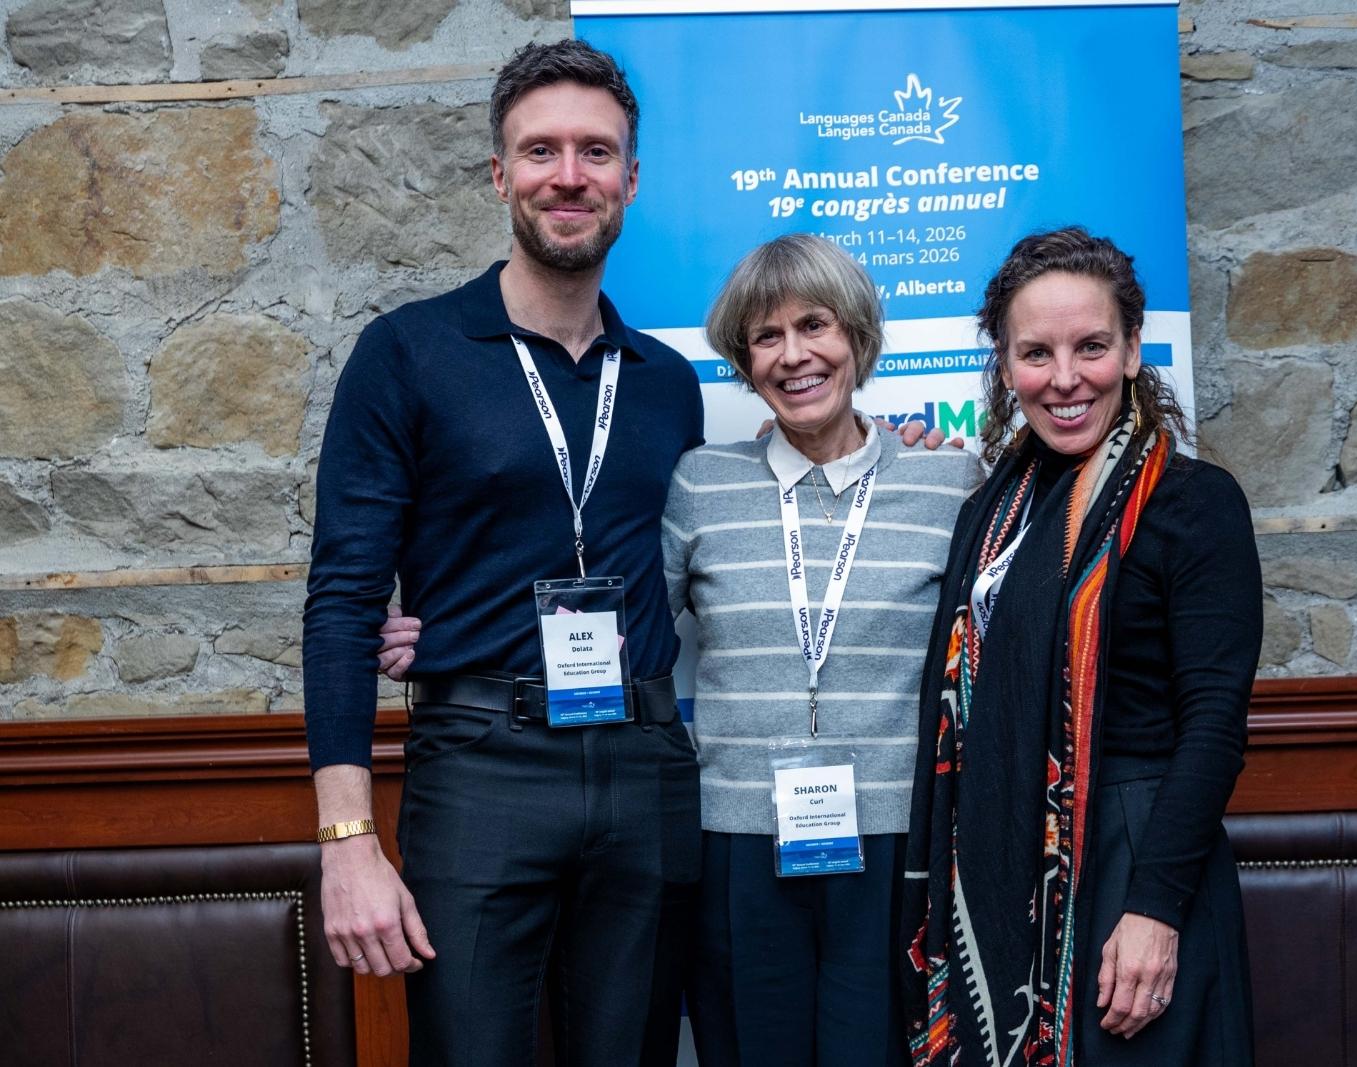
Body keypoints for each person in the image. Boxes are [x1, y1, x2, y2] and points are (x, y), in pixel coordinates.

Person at [303, 39, 704, 1066]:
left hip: (645, 764)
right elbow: (344, 598)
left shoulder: (666, 382)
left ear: (630, 179)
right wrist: (347, 842)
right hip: (481, 765)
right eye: (540, 151)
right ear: (499, 174)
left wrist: (894, 453)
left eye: (595, 152)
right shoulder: (407, 352)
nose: (568, 175)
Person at [900, 228, 1261, 1066]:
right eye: (1037, 353)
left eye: (1091, 346)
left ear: (1133, 350)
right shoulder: (991, 511)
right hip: (1009, 857)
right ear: (1005, 366)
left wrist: (1155, 908)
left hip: (1138, 858)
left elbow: (1214, 723)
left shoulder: (1193, 502)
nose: (1065, 378)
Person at [666, 234, 983, 1067]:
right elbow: (628, 630)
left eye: (815, 325)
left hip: (897, 844)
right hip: (737, 841)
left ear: (858, 336)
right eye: (766, 336)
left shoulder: (949, 482)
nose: (793, 354)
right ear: (744, 359)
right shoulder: (700, 483)